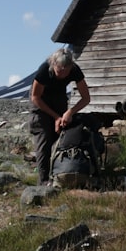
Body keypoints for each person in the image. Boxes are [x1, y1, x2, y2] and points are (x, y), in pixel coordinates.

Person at [29, 47, 90, 185]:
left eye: (66, 71)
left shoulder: (75, 70)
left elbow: (86, 98)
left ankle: (61, 175)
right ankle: (44, 181)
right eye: (59, 71)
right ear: (53, 64)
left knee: (62, 135)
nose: (62, 74)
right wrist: (56, 117)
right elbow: (35, 97)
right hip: (40, 100)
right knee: (44, 136)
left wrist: (69, 112)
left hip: (59, 98)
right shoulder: (44, 70)